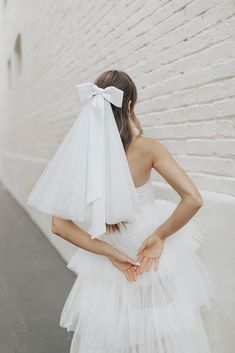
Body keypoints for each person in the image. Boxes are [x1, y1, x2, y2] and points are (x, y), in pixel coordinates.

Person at [29, 70, 214, 353]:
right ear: (129, 106)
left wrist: (110, 252)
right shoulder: (149, 148)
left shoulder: (82, 155)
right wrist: (161, 236)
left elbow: (59, 225)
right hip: (145, 248)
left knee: (114, 334)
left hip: (112, 250)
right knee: (161, 328)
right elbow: (193, 199)